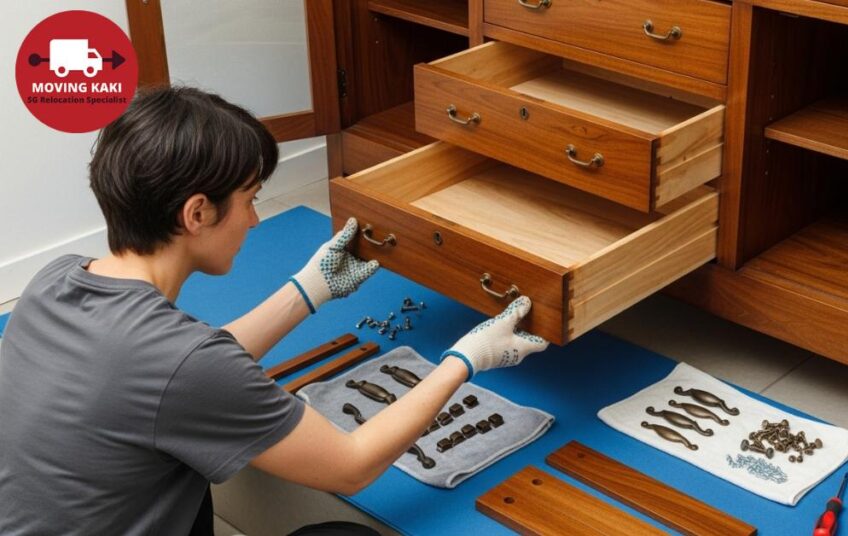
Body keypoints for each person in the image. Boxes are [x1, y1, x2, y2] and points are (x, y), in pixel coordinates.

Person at [0, 86, 548, 536]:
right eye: (250, 197)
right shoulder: (183, 364)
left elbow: (177, 380)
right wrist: (465, 359)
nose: (256, 220)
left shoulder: (56, 281)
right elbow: (351, 466)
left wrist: (307, 291)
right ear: (196, 213)